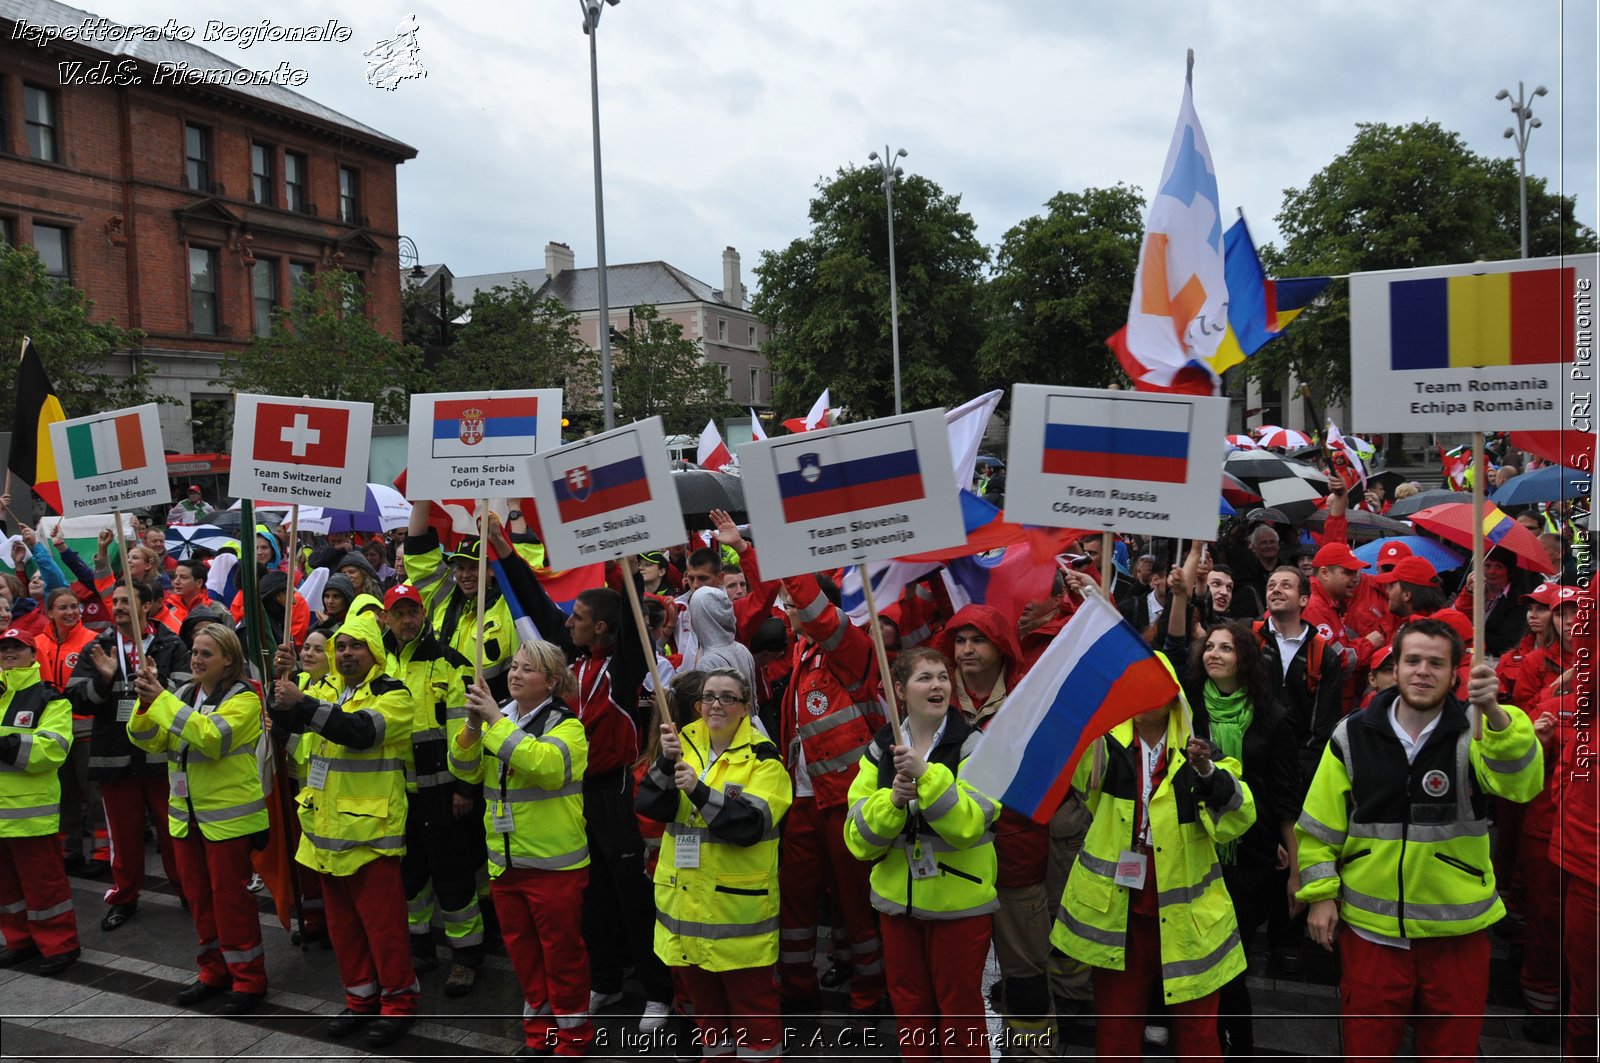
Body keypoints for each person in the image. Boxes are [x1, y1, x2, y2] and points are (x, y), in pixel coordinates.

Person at [1295, 619, 1544, 1060]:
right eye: (1411, 660)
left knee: (1450, 1052)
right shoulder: (1351, 734)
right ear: (1395, 665)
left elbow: (1521, 785)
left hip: (1457, 936)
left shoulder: (1479, 731)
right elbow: (1319, 827)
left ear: (1454, 674)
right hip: (1372, 932)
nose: (1422, 671)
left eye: (1436, 663)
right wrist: (1320, 895)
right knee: (1367, 1050)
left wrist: (1497, 714)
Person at [1051, 639, 1255, 1059]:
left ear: (1174, 694)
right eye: (1135, 684)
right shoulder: (1100, 748)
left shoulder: (1201, 754)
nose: (1146, 694)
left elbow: (1238, 817)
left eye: (1156, 685)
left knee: (1199, 1032)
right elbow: (1065, 763)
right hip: (1117, 912)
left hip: (1188, 916)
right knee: (1117, 1028)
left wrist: (1209, 775)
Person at [271, 612, 419, 1048]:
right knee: (344, 930)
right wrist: (280, 689)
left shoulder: (394, 693)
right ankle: (360, 1000)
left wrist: (302, 701)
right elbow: (284, 727)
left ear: (374, 652)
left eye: (355, 646)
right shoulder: (328, 689)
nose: (345, 653)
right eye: (341, 646)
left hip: (371, 836)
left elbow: (360, 732)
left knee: (384, 929)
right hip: (325, 833)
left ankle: (399, 1003)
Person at [844, 647, 1000, 1060]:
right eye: (925, 678)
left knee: (961, 1014)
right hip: (897, 903)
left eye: (943, 677)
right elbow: (857, 837)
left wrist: (927, 777)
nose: (938, 685)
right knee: (909, 1010)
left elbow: (972, 823)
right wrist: (892, 803)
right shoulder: (880, 748)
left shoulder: (974, 745)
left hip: (959, 907)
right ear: (900, 690)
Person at [1167, 598, 1301, 1057]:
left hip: (1251, 853)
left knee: (1232, 958)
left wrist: (1295, 865)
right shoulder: (1186, 711)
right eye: (1210, 646)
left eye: (1226, 647)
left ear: (1245, 658)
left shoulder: (1274, 718)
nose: (1214, 654)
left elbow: (1284, 797)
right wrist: (1181, 596)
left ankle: (1237, 1042)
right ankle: (1198, 1035)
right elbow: (1168, 646)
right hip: (1194, 845)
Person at [636, 667, 792, 1059]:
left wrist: (701, 792)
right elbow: (651, 806)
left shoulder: (765, 760)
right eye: (708, 696)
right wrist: (663, 767)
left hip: (737, 918)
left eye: (727, 697)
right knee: (710, 1023)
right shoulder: (683, 742)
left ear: (745, 707)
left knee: (754, 1017)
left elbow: (750, 825)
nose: (716, 704)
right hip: (685, 911)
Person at [451, 641, 593, 1056]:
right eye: (513, 667)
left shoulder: (567, 725)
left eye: (527, 670)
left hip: (554, 867)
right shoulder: (500, 719)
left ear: (550, 681)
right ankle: (539, 1034)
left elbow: (546, 767)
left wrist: (494, 721)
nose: (514, 674)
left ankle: (573, 1039)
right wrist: (474, 726)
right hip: (505, 864)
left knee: (563, 959)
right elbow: (463, 769)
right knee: (524, 957)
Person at [127, 623, 268, 1013]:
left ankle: (249, 979)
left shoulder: (246, 698)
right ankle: (213, 971)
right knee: (200, 901)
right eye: (194, 652)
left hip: (228, 822)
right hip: (187, 819)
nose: (196, 659)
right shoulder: (185, 693)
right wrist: (145, 703)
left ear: (228, 660)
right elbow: (148, 740)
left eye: (206, 653)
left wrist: (162, 701)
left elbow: (212, 737)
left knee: (230, 903)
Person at [775, 572, 888, 1014]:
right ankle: (797, 986)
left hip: (845, 799)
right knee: (796, 897)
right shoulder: (803, 651)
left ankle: (869, 992)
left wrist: (788, 558)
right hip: (803, 799)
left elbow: (818, 613)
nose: (785, 609)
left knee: (856, 903)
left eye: (791, 601)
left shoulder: (851, 646)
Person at [67, 582, 192, 931]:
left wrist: (158, 684)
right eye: (115, 600)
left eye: (127, 600)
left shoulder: (171, 643)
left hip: (161, 758)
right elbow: (75, 698)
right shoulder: (98, 646)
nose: (118, 606)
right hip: (115, 758)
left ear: (148, 605)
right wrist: (104, 680)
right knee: (123, 838)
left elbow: (185, 691)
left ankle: (187, 892)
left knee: (173, 833)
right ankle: (124, 897)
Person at [381, 583, 483, 995]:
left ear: (424, 615)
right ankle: (421, 947)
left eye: (414, 612)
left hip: (443, 794)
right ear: (386, 618)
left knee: (454, 877)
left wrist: (464, 786)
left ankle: (466, 957)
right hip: (393, 792)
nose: (408, 620)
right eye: (399, 612)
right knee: (409, 878)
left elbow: (467, 732)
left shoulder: (451, 664)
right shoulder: (377, 663)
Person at [0, 627, 81, 974]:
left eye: (17, 647)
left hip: (31, 813)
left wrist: (3, 744)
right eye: (4, 647)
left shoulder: (50, 698)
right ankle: (19, 940)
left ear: (34, 655)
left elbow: (52, 750)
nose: (8, 652)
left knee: (44, 885)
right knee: (6, 888)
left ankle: (60, 945)